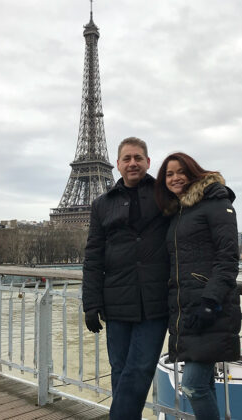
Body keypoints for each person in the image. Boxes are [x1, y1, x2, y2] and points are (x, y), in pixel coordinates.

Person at [82, 137, 170, 420]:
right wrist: (90, 303)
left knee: (140, 368)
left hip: (154, 302)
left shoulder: (165, 195)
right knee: (120, 370)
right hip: (117, 301)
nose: (133, 163)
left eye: (138, 158)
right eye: (127, 158)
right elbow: (93, 256)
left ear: (148, 162)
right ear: (117, 164)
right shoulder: (101, 205)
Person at [155, 152, 241, 420]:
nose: (175, 177)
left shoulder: (215, 202)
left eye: (181, 172)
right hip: (186, 308)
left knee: (192, 385)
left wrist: (210, 301)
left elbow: (227, 257)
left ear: (193, 173)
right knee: (202, 385)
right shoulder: (179, 212)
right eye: (169, 174)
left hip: (209, 308)